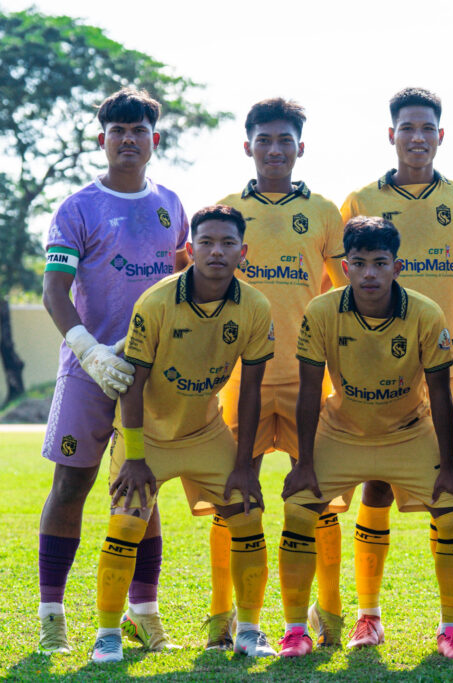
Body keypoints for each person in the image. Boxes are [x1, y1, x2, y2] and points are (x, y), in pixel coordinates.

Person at [276, 216, 453, 659]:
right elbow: (309, 390)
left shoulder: (425, 312)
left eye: (380, 263)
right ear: (345, 267)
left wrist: (449, 467)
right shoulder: (322, 311)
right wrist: (303, 462)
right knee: (298, 508)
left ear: (396, 267)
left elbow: (441, 394)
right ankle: (295, 630)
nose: (369, 273)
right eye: (360, 263)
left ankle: (451, 629)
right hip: (342, 432)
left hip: (408, 432)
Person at [38, 87, 189, 654]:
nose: (129, 139)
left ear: (155, 139)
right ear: (102, 140)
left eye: (139, 130)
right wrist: (90, 351)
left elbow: (183, 280)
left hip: (149, 377)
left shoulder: (171, 204)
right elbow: (54, 292)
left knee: (142, 489)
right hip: (89, 370)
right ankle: (52, 616)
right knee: (71, 484)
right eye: (118, 131)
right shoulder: (77, 207)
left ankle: (143, 614)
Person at [89, 205, 275, 662]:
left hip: (205, 432)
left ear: (243, 252)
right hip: (146, 436)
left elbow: (251, 391)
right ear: (190, 249)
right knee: (125, 524)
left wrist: (245, 464)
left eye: (228, 243)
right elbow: (132, 383)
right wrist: (135, 456)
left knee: (247, 514)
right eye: (206, 242)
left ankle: (249, 631)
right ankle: (108, 634)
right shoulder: (156, 301)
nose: (217, 252)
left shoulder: (255, 306)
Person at [338, 87, 453, 648]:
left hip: (446, 362)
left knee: (450, 487)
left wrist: (445, 310)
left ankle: (452, 624)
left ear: (440, 136)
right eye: (407, 128)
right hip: (376, 364)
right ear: (391, 134)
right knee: (376, 483)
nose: (417, 138)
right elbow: (345, 276)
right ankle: (368, 616)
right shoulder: (362, 199)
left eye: (426, 129)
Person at [207, 97, 346, 649]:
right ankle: (224, 616)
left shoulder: (325, 212)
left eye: (285, 140)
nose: (274, 149)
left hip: (309, 376)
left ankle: (327, 612)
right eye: (264, 140)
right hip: (240, 378)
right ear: (248, 146)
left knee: (317, 497)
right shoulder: (226, 210)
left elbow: (346, 291)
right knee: (234, 498)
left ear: (300, 147)